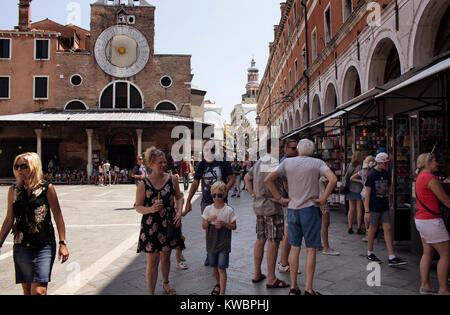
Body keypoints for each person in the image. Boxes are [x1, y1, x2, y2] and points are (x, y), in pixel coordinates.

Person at [265, 139, 337, 295]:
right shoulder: (317, 162)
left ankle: (293, 287)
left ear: (298, 149)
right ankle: (309, 289)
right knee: (310, 250)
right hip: (310, 209)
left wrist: (279, 198)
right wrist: (323, 198)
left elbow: (268, 180)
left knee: (295, 248)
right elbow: (333, 179)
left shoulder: (287, 163)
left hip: (292, 210)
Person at [0, 152, 69, 295]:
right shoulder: (13, 191)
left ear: (34, 167)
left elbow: (58, 216)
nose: (19, 169)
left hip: (44, 244)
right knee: (27, 290)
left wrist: (63, 242)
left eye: (23, 166)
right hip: (21, 245)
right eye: (16, 166)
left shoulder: (46, 188)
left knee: (38, 291)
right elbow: (9, 219)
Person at [135, 147, 185, 295]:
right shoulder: (143, 184)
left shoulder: (172, 179)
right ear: (151, 164)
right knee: (152, 260)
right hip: (150, 225)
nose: (164, 165)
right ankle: (151, 292)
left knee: (166, 256)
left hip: (168, 223)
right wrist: (150, 209)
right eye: (160, 162)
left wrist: (179, 213)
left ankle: (166, 283)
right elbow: (138, 206)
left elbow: (179, 196)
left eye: (165, 162)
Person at [244, 140, 289, 290]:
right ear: (272, 148)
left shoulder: (259, 161)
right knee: (274, 241)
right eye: (281, 146)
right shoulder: (273, 162)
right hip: (271, 207)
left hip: (259, 206)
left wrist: (253, 194)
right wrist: (279, 198)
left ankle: (257, 273)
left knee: (260, 239)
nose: (283, 149)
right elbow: (269, 182)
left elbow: (247, 178)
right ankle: (271, 278)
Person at [184, 140, 235, 266]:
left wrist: (224, 191)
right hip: (207, 201)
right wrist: (188, 200)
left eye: (212, 149)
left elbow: (231, 179)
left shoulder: (223, 162)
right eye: (207, 150)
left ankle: (221, 251)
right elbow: (195, 183)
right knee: (208, 228)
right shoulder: (201, 165)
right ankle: (210, 252)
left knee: (222, 227)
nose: (210, 152)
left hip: (221, 202)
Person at [414, 153, 450, 295]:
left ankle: (425, 285)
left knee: (427, 253)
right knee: (446, 254)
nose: (437, 163)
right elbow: (445, 200)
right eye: (434, 160)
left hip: (421, 219)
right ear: (427, 163)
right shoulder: (430, 178)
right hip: (432, 221)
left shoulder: (420, 177)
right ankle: (443, 289)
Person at [365, 153, 407, 266]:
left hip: (383, 205)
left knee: (387, 228)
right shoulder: (372, 174)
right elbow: (367, 193)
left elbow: (388, 191)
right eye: (385, 163)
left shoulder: (386, 174)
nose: (386, 165)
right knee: (373, 228)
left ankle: (391, 255)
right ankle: (370, 252)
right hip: (374, 205)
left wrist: (389, 204)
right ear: (380, 162)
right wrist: (367, 210)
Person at [202, 181, 237, 295]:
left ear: (225, 195)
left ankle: (222, 292)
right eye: (214, 195)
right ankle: (217, 283)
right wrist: (208, 220)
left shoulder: (229, 210)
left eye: (219, 195)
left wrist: (224, 224)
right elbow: (203, 226)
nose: (216, 198)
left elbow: (234, 226)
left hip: (224, 242)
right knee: (214, 266)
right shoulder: (208, 209)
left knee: (221, 268)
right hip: (211, 242)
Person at [277, 139, 301, 274]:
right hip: (288, 201)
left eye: (296, 148)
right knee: (288, 233)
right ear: (286, 149)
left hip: (289, 201)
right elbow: (286, 184)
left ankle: (284, 262)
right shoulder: (286, 162)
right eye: (292, 148)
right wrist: (293, 198)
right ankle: (284, 263)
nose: (295, 150)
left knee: (289, 232)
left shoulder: (290, 161)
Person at [350, 156, 376, 242]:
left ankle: (368, 231)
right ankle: (372, 230)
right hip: (372, 193)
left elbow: (352, 178)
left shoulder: (362, 171)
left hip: (364, 192)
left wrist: (361, 181)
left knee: (366, 211)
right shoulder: (373, 172)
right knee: (372, 212)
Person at [319, 176, 340, 256]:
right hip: (322, 200)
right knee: (325, 223)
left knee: (316, 223)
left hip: (313, 200)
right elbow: (330, 183)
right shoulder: (322, 174)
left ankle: (316, 244)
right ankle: (326, 247)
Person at [345, 151, 364, 234]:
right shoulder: (361, 166)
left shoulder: (349, 165)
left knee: (351, 209)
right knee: (359, 209)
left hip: (350, 189)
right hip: (359, 189)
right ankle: (359, 228)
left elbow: (346, 176)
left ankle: (350, 227)